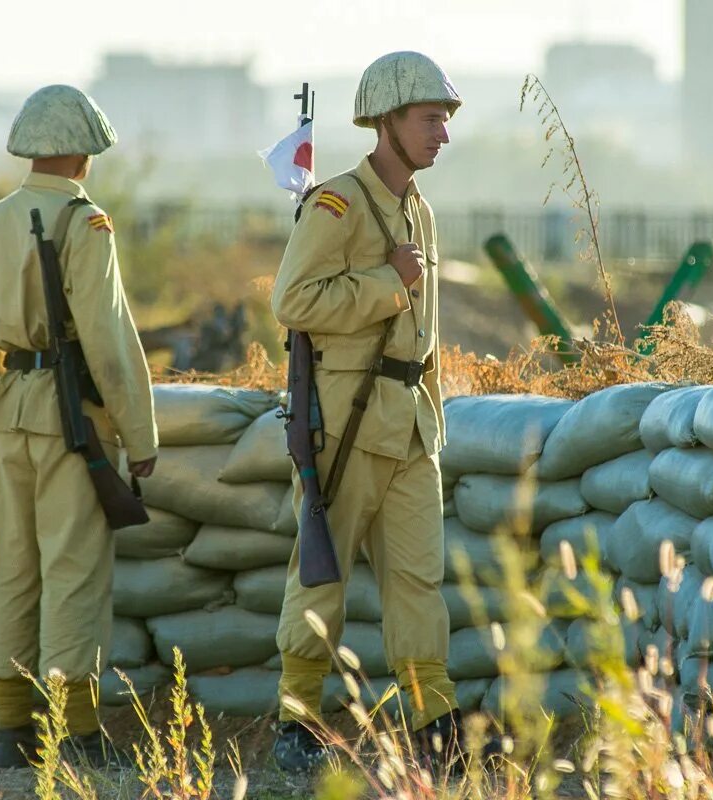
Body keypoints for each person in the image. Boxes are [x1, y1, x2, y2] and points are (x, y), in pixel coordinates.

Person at [270, 51, 463, 772]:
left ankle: (434, 722)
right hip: (345, 424)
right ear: (386, 121)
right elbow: (293, 303)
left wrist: (433, 420)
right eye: (429, 119)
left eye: (444, 119)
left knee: (419, 580)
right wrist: (388, 281)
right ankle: (296, 720)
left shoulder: (422, 211)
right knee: (322, 575)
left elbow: (427, 334)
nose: (441, 132)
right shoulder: (338, 204)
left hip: (409, 426)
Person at [0, 84, 158, 769]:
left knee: (11, 568)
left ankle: (11, 730)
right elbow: (107, 339)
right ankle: (76, 734)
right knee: (73, 570)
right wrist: (140, 433)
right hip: (73, 417)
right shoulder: (84, 221)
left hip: (11, 410)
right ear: (80, 152)